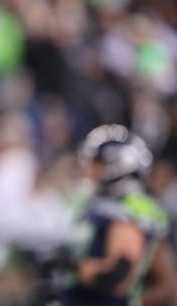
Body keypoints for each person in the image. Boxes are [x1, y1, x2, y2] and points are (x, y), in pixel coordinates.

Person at [58, 124, 173, 306]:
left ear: (120, 165)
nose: (88, 170)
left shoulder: (131, 210)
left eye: (97, 164)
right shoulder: (93, 202)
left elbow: (116, 277)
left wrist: (74, 266)